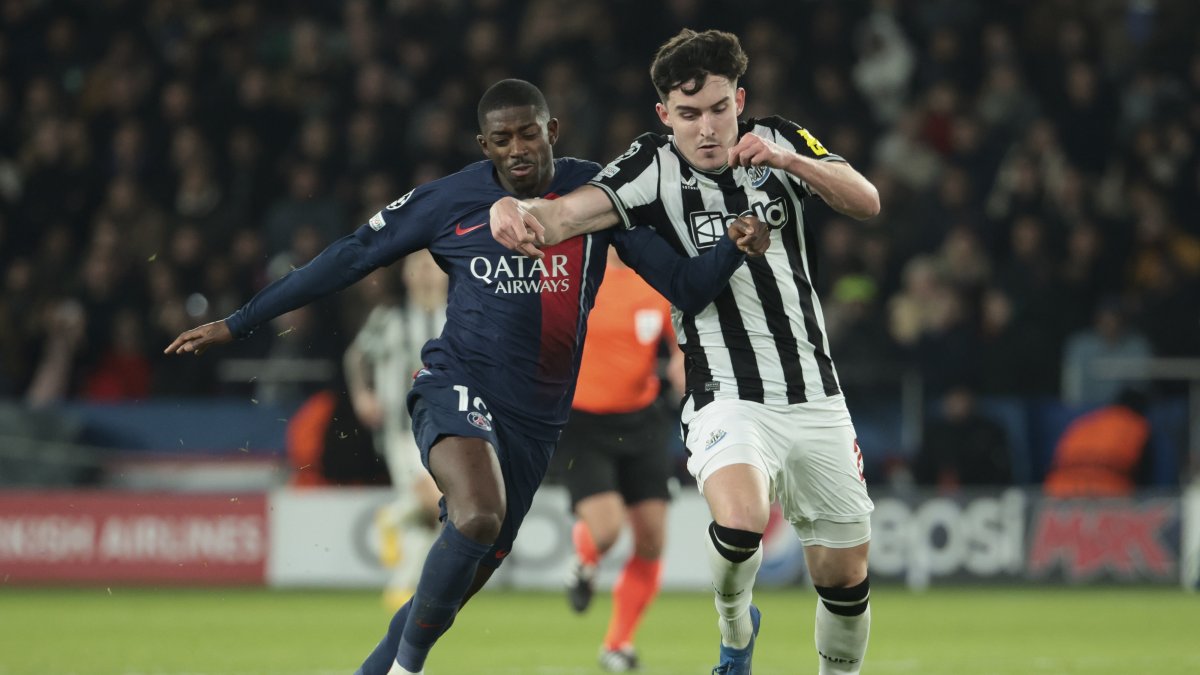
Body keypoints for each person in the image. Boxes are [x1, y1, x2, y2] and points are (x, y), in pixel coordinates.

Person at [164, 78, 767, 675]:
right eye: (502, 139)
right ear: (484, 145)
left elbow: (683, 285)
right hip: (457, 385)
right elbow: (349, 257)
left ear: (551, 130)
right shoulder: (448, 201)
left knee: (447, 594)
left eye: (529, 133)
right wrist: (240, 321)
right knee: (477, 514)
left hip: (538, 422)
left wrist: (735, 247)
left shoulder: (599, 196)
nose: (518, 149)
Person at [490, 30, 881, 675]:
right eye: (689, 115)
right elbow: (566, 217)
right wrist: (512, 206)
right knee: (742, 517)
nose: (707, 129)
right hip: (725, 391)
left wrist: (790, 164)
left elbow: (865, 201)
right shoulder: (649, 167)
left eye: (720, 110)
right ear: (664, 115)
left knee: (843, 577)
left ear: (740, 101)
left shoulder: (778, 139)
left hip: (815, 392)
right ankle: (735, 638)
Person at [552, 245, 684, 672]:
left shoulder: (658, 282)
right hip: (581, 423)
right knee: (607, 530)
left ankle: (617, 644)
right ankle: (586, 562)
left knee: (651, 539)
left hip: (643, 421)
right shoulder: (577, 278)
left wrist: (684, 367)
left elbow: (680, 344)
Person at [343, 262, 445, 611]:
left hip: (449, 429)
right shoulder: (389, 317)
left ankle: (401, 589)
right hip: (403, 431)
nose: (429, 275)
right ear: (407, 274)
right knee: (439, 503)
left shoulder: (461, 314)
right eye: (423, 267)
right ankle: (395, 516)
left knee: (430, 520)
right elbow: (356, 357)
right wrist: (362, 395)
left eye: (436, 267)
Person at [1044, 387, 1151, 498]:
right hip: (1108, 492)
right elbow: (1145, 476)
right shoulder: (1137, 426)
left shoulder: (1083, 423)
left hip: (1058, 490)